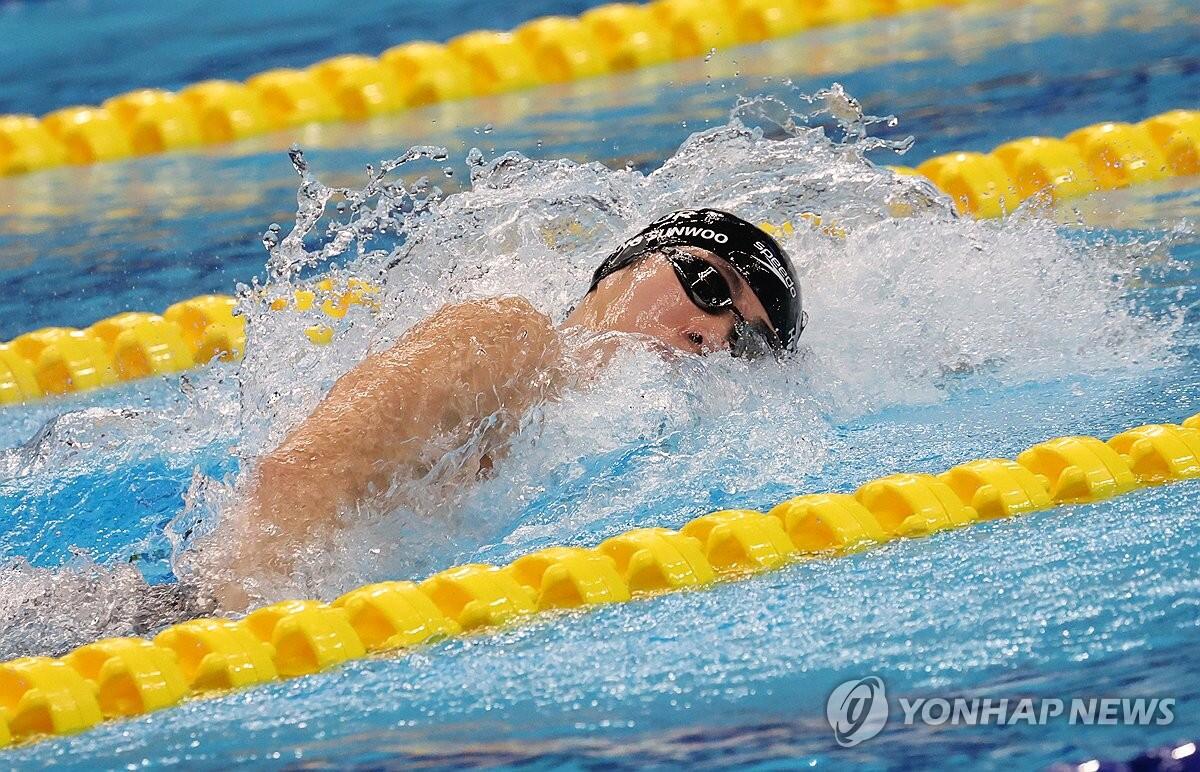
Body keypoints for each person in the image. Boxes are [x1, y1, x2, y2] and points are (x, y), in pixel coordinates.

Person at [211, 208, 805, 609]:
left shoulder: (626, 452)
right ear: (628, 264)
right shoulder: (505, 338)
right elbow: (301, 474)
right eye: (708, 285)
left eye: (745, 341)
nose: (712, 335)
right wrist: (263, 632)